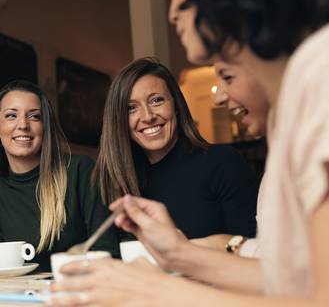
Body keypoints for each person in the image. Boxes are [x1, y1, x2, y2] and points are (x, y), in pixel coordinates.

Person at [50, 0, 329, 305]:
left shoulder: (323, 67)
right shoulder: (292, 103)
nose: (171, 13)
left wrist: (154, 290)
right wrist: (178, 254)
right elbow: (292, 279)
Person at [95, 57, 258, 239]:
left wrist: (182, 250)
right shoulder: (116, 182)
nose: (148, 116)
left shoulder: (223, 162)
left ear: (176, 106)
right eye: (131, 108)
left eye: (156, 100)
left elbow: (252, 250)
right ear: (119, 121)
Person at [0, 80, 119, 272]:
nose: (23, 125)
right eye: (11, 115)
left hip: (78, 293)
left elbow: (108, 251)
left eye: (34, 116)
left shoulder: (80, 170)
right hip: (18, 298)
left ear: (45, 128)